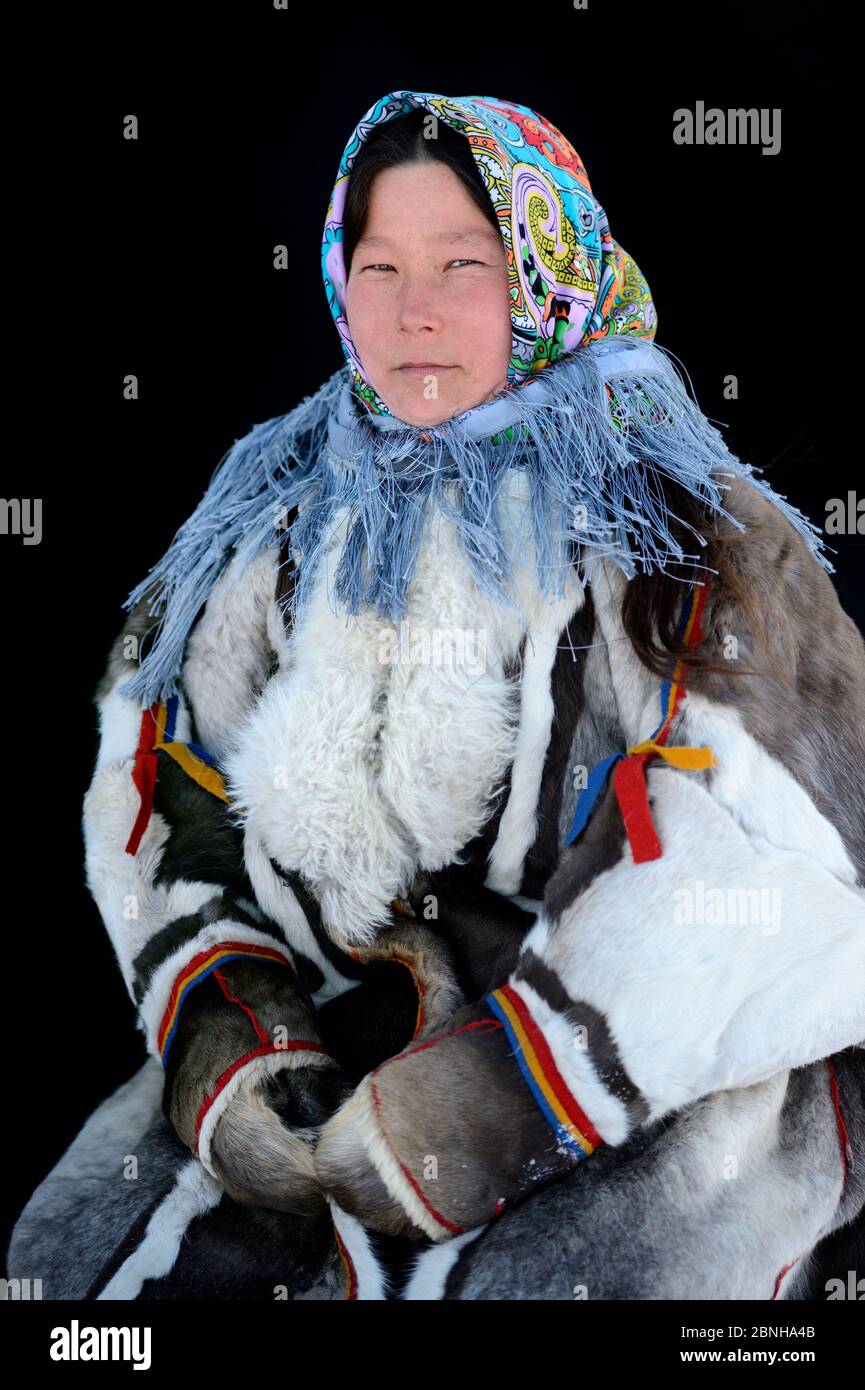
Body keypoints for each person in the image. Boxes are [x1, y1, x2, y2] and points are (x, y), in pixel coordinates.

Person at [6, 91, 864, 1302]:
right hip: (343, 1043)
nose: (413, 310)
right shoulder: (278, 509)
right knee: (91, 1288)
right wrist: (233, 1028)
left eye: (464, 264)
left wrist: (491, 1100)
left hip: (638, 1069)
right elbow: (155, 771)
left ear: (544, 275)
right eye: (380, 266)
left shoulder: (686, 531)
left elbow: (775, 875)